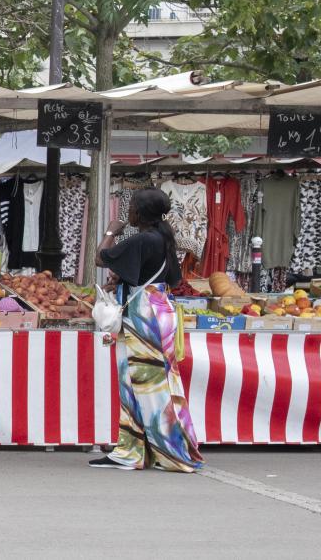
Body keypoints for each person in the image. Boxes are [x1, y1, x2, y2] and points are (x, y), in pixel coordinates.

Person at [91, 187, 203, 473]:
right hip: (160, 308)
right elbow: (166, 277)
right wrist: (124, 282)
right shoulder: (164, 238)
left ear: (139, 213)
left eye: (131, 209)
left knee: (137, 381)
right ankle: (149, 448)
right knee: (162, 382)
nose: (127, 214)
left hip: (142, 316)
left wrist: (111, 231)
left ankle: (140, 451)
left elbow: (100, 258)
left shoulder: (141, 239)